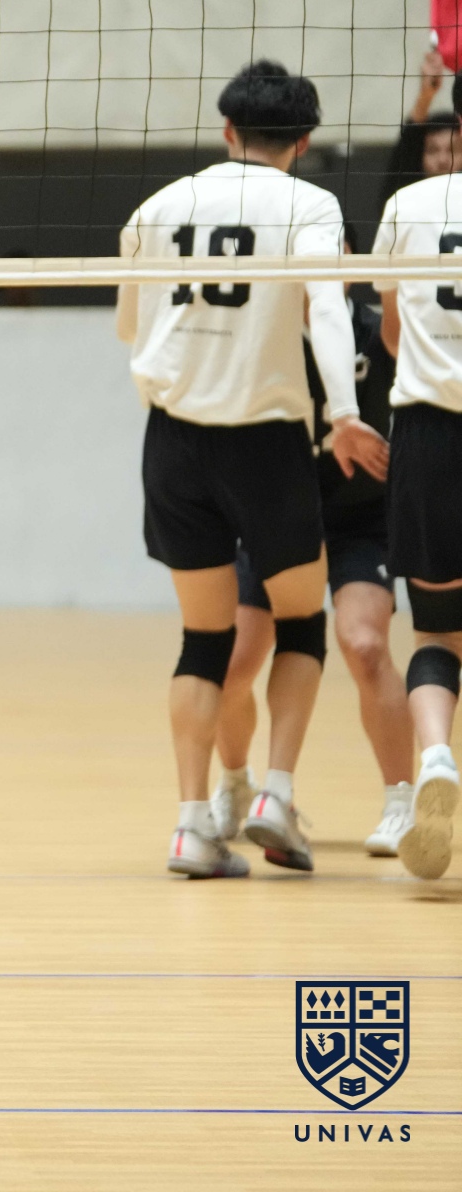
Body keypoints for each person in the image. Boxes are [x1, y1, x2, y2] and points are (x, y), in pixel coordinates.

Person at [116, 60, 384, 880]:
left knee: (204, 638)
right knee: (300, 621)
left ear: (227, 130)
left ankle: (191, 824)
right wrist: (344, 414)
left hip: (173, 441)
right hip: (264, 441)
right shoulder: (310, 205)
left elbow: (129, 326)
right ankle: (275, 794)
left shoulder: (159, 205)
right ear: (303, 142)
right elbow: (329, 312)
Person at [210, 276, 415, 868]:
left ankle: (401, 803)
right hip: (275, 517)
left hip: (360, 522)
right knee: (229, 667)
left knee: (365, 645)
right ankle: (236, 784)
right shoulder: (261, 331)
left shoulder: (377, 331)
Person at [373, 135, 462, 880]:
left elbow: (391, 328)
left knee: (436, 626)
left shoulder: (408, 204)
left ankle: (435, 757)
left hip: (430, 433)